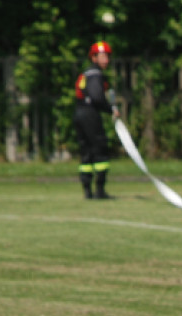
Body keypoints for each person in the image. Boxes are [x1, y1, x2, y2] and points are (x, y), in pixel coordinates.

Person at [74, 40, 121, 200]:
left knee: (86, 153)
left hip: (79, 112)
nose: (106, 60)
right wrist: (110, 109)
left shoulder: (86, 73)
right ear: (93, 57)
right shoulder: (95, 74)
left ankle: (87, 190)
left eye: (107, 56)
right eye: (102, 56)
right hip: (90, 114)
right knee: (99, 149)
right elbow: (97, 97)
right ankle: (99, 191)